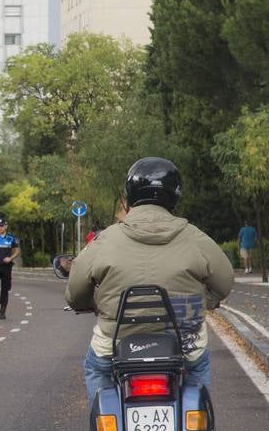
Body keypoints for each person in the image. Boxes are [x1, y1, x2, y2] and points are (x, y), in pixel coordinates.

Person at [65, 157, 233, 408]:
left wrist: (94, 302)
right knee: (197, 367)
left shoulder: (104, 240)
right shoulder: (195, 237)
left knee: (97, 369)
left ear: (130, 195)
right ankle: (199, 423)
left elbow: (75, 294)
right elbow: (225, 283)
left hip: (116, 341)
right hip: (184, 340)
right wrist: (205, 300)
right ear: (174, 195)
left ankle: (106, 427)